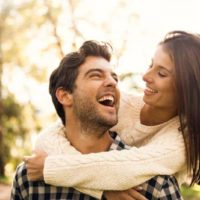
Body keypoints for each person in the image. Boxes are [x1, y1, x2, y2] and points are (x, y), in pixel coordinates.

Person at [25, 31, 200, 195]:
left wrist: (51, 169)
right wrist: (101, 190)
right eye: (151, 65)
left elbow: (128, 169)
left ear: (187, 89)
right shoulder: (117, 104)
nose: (145, 76)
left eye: (161, 73)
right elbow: (49, 137)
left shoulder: (182, 142)